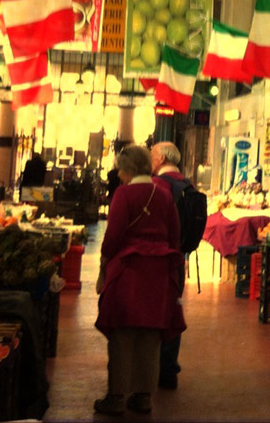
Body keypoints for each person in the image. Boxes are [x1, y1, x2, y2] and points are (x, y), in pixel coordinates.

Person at [94, 144, 186, 415]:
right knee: (150, 335)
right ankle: (143, 396)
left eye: (121, 170)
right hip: (158, 273)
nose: (119, 175)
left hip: (129, 271)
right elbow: (174, 234)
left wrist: (105, 260)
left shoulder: (124, 194)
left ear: (129, 169)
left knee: (122, 335)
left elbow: (113, 236)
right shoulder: (164, 194)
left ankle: (116, 397)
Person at [150, 141, 190, 389]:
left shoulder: (159, 186)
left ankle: (152, 368)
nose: (151, 160)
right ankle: (169, 369)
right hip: (179, 258)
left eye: (153, 155)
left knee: (153, 311)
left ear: (162, 157)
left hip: (158, 259)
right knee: (174, 311)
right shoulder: (187, 184)